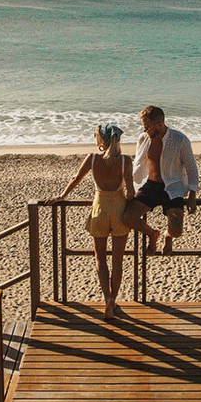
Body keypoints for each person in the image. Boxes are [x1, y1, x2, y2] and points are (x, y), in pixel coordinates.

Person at [58, 123, 134, 319]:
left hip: (99, 209)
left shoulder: (92, 159)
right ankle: (113, 300)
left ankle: (107, 297)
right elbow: (131, 192)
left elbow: (76, 179)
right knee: (118, 260)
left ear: (102, 140)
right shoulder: (125, 160)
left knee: (100, 258)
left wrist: (63, 195)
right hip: (119, 209)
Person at [122, 105, 199, 255]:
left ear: (159, 124)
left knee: (176, 231)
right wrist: (129, 186)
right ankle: (153, 234)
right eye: (144, 127)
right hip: (150, 185)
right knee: (127, 218)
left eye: (147, 127)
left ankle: (167, 236)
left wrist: (192, 195)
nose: (145, 130)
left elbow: (191, 168)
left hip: (173, 187)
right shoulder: (143, 138)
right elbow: (136, 164)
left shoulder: (180, 140)